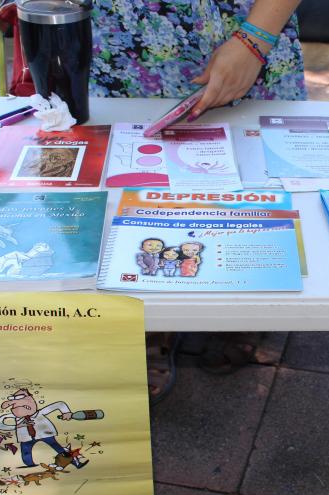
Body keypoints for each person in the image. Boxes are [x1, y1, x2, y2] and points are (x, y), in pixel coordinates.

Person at [91, 1, 307, 401]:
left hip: (241, 28)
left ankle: (242, 295)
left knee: (246, 176)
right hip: (124, 38)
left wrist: (255, 37)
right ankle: (152, 314)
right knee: (139, 176)